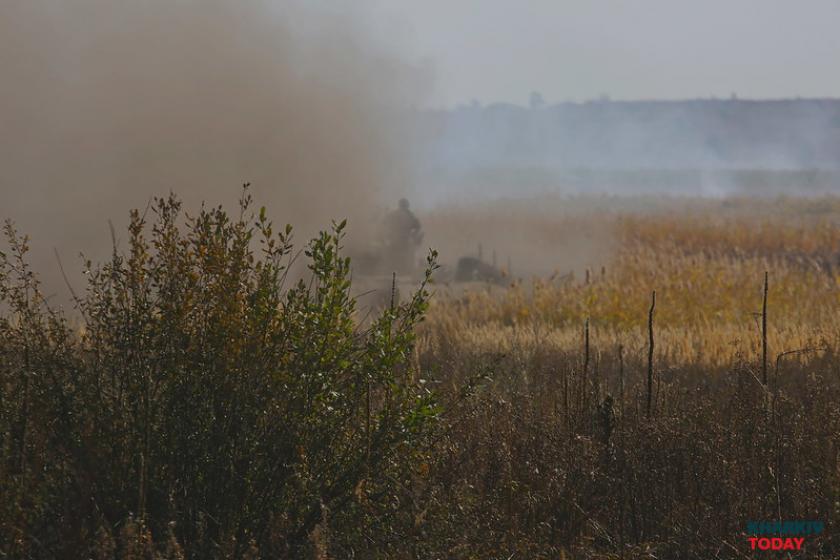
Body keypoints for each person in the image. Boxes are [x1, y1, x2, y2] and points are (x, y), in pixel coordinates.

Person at [382, 198, 423, 274]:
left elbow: (384, 223)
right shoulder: (410, 215)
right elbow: (418, 227)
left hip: (394, 239)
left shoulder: (393, 214)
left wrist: (388, 234)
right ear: (407, 205)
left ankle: (391, 269)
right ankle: (405, 270)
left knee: (392, 255)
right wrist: (413, 235)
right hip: (405, 239)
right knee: (407, 256)